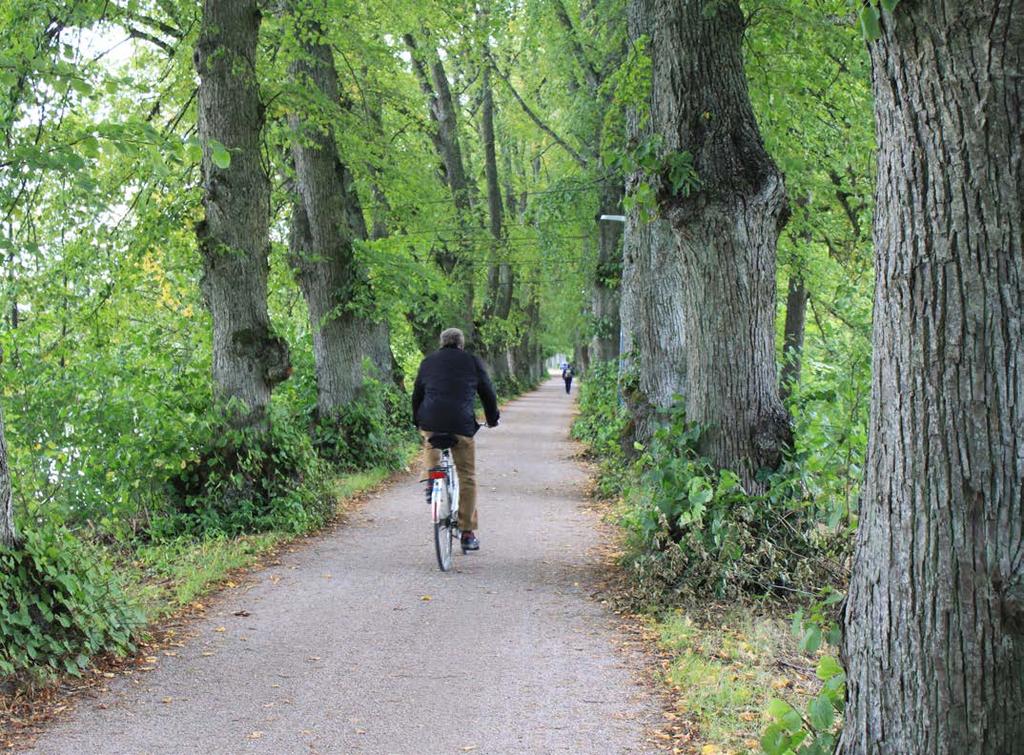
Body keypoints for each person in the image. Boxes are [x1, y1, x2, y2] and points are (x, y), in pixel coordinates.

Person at [411, 327, 500, 552]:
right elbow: (487, 392)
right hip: (461, 425)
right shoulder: (471, 361)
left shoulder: (428, 362)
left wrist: (417, 421)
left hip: (430, 421)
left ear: (441, 343)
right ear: (461, 344)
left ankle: (432, 479)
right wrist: (492, 418)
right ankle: (468, 533)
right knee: (467, 477)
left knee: (430, 441)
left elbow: (417, 395)